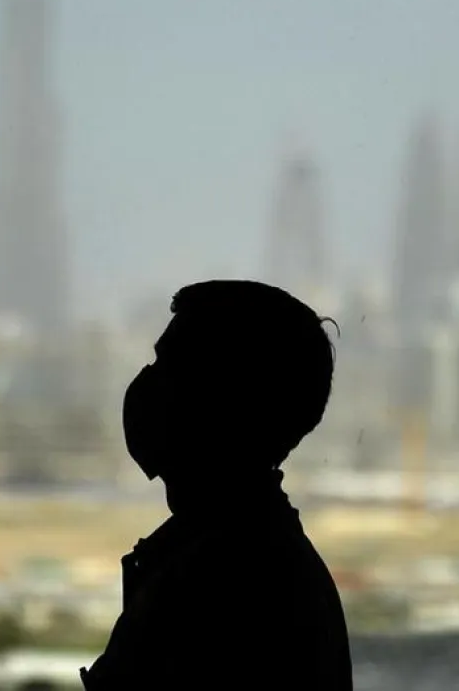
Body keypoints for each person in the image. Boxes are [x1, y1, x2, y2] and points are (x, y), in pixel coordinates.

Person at [80, 280, 353, 689]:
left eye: (169, 367)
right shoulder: (246, 557)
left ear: (220, 401)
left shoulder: (224, 581)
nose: (147, 384)